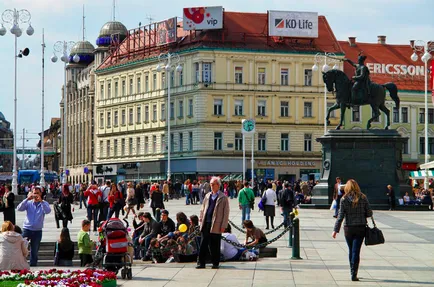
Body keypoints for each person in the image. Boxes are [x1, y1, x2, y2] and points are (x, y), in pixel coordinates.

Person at [333, 179, 373, 282]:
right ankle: (354, 273)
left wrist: (335, 230)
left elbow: (340, 216)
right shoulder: (363, 197)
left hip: (348, 228)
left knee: (351, 250)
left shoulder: (344, 199)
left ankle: (352, 271)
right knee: (356, 251)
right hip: (360, 227)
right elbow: (369, 213)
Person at [197, 176, 230, 269]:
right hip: (206, 222)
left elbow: (226, 213)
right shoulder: (207, 196)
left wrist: (224, 225)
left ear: (218, 185)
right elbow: (202, 209)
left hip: (216, 224)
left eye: (213, 184)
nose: (211, 186)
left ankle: (215, 263)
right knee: (203, 243)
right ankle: (201, 263)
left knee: (215, 245)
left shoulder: (223, 197)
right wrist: (200, 219)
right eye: (210, 184)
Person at [17, 186, 51, 266]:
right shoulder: (28, 203)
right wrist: (27, 199)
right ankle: (21, 263)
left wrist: (41, 201)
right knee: (22, 247)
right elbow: (19, 208)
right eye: (34, 193)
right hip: (27, 228)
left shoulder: (44, 203)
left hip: (37, 230)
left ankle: (33, 265)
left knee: (34, 250)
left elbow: (47, 211)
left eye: (37, 193)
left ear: (41, 194)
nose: (36, 195)